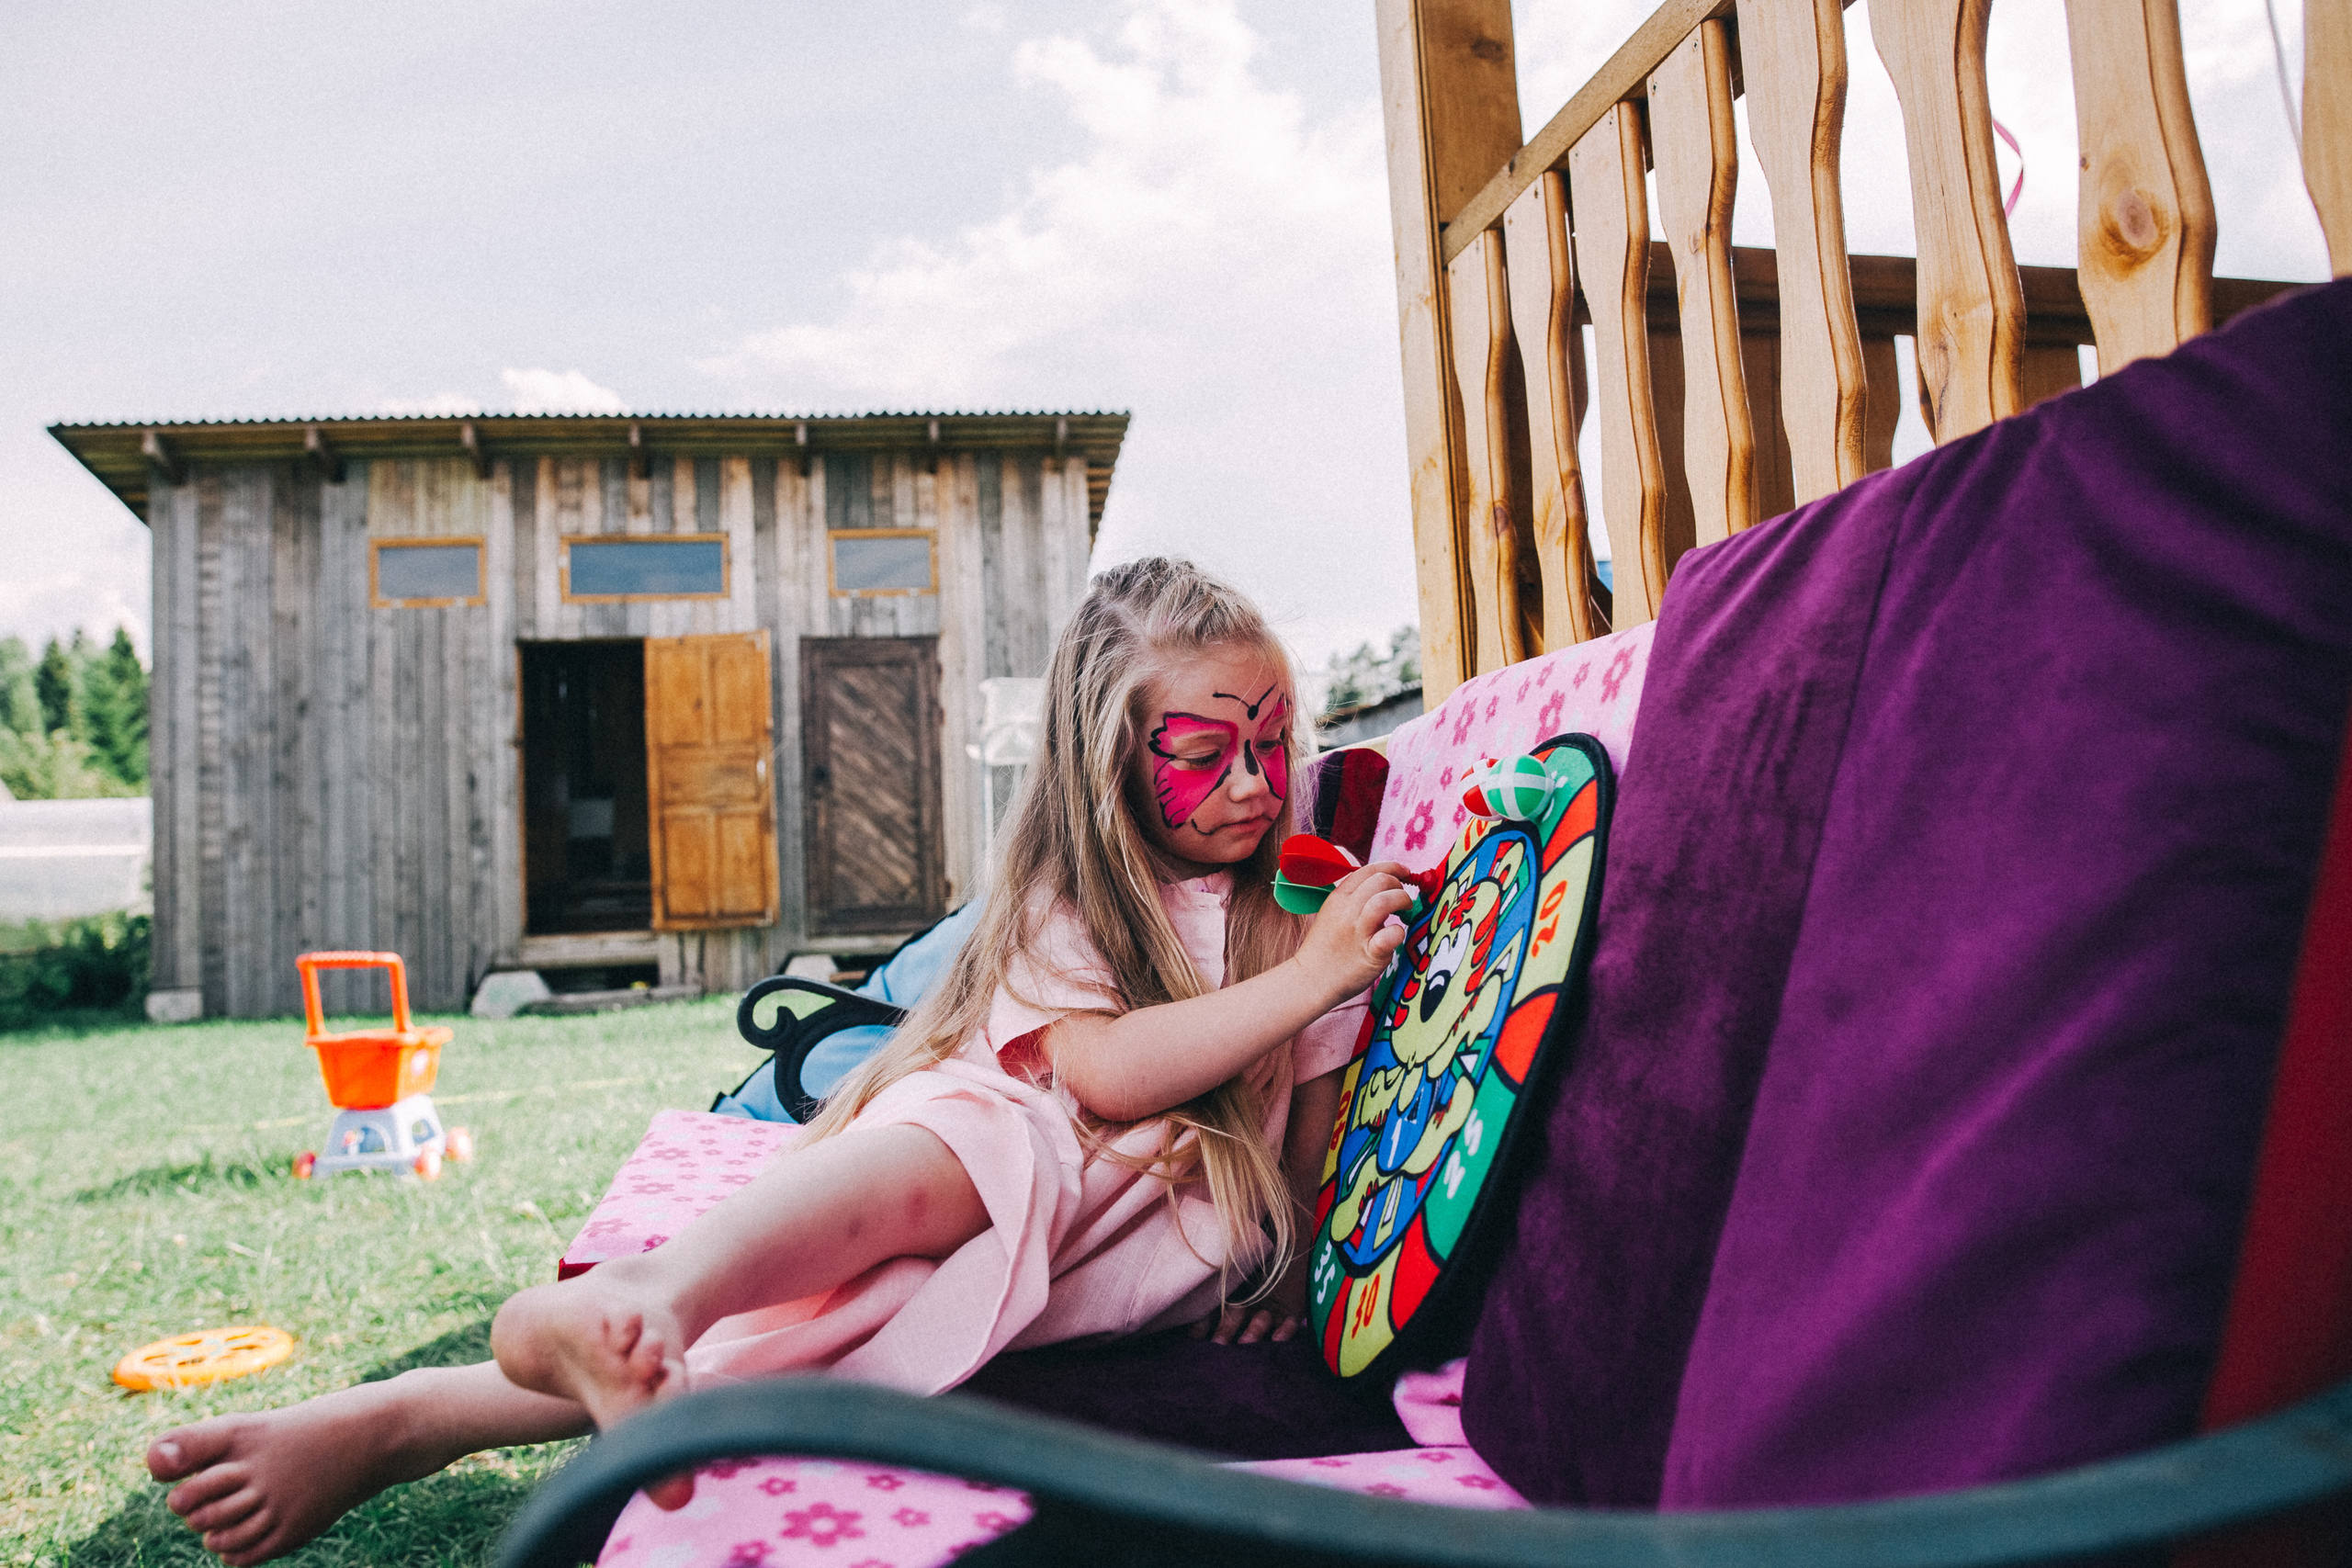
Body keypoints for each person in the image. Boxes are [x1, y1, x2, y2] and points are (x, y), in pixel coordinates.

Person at [147, 557, 1414, 1565]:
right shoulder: (1076, 902)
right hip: (1008, 1145)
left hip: (1113, 1255)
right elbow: (1103, 1074)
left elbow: (1312, 1112)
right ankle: (658, 1289)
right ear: (1106, 765)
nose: (1256, 782)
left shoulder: (1303, 910)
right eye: (1207, 753)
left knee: (791, 1351)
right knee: (947, 1160)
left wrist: (1286, 1259)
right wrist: (1308, 978)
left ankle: (410, 1419)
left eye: (1273, 741)